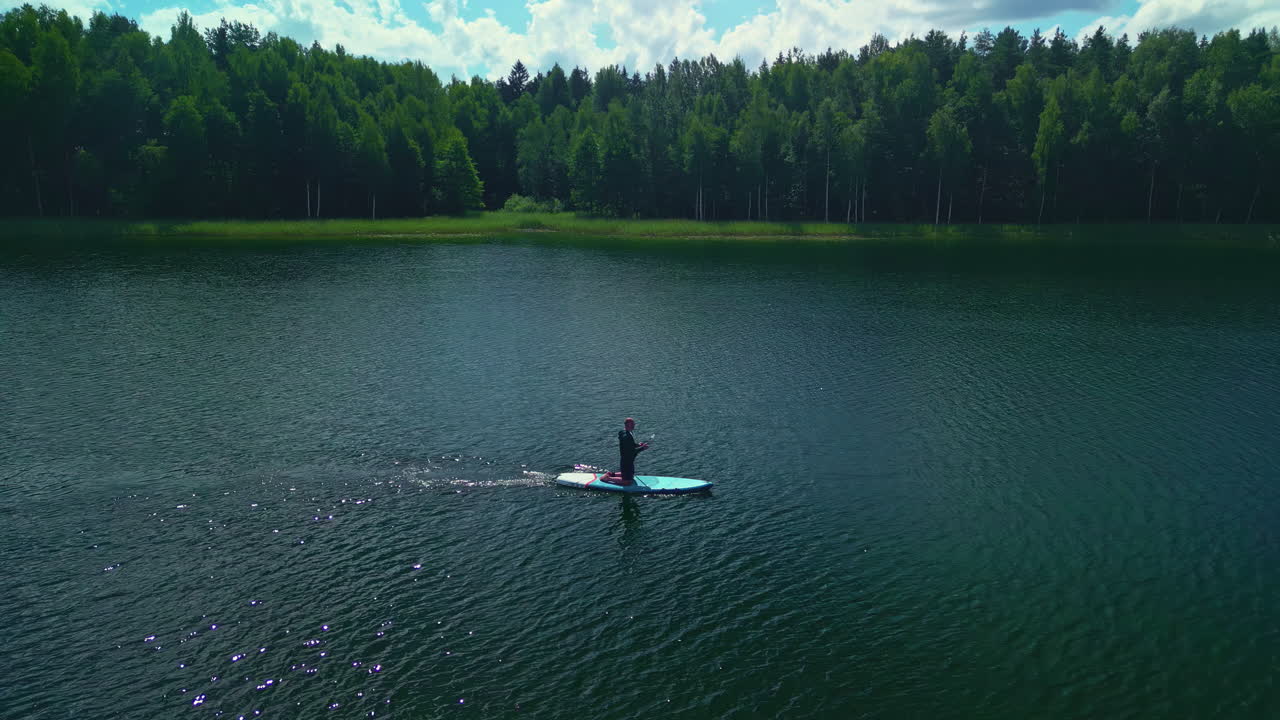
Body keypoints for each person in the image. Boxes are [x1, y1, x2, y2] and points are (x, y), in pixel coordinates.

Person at [616, 417, 649, 485]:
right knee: (627, 482)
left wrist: (638, 445)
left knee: (631, 476)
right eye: (633, 424)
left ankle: (611, 474)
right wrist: (643, 448)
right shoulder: (627, 436)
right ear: (628, 425)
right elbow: (631, 451)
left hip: (627, 460)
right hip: (626, 461)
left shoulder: (624, 432)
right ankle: (607, 478)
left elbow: (630, 445)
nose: (634, 425)